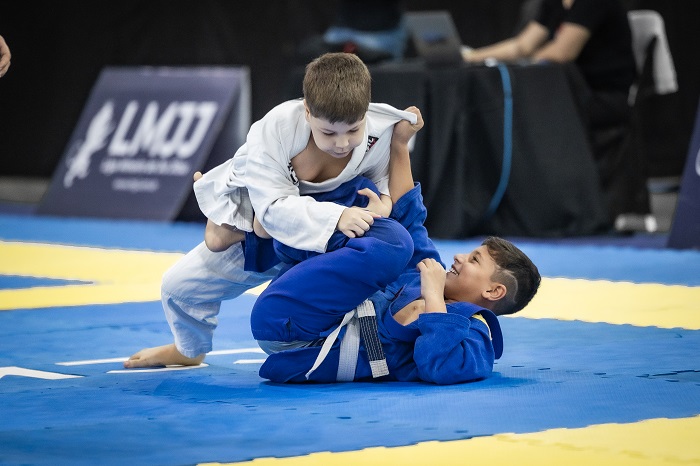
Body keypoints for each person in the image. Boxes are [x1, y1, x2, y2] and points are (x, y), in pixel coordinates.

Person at [123, 52, 419, 369]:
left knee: (386, 243)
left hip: (328, 247)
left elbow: (389, 184)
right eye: (329, 132)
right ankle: (188, 349)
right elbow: (272, 211)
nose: (342, 144)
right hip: (274, 225)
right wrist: (337, 217)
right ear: (307, 111)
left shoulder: (379, 130)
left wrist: (383, 200)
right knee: (178, 287)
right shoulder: (275, 128)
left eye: (353, 130)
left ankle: (354, 333)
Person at [249, 112, 542, 384]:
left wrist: (433, 300)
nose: (459, 257)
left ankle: (271, 222)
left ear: (493, 291)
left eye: (475, 260)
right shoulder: (426, 272)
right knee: (366, 195)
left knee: (393, 240)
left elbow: (440, 367)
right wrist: (400, 144)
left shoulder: (476, 336)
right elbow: (410, 215)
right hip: (301, 310)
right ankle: (260, 224)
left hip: (299, 334)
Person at [463, 0, 647, 224]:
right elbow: (522, 46)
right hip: (567, 94)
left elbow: (562, 52)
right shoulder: (554, 4)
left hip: (603, 97)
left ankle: (556, 209)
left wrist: (523, 66)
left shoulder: (594, 4)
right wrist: (471, 56)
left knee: (530, 114)